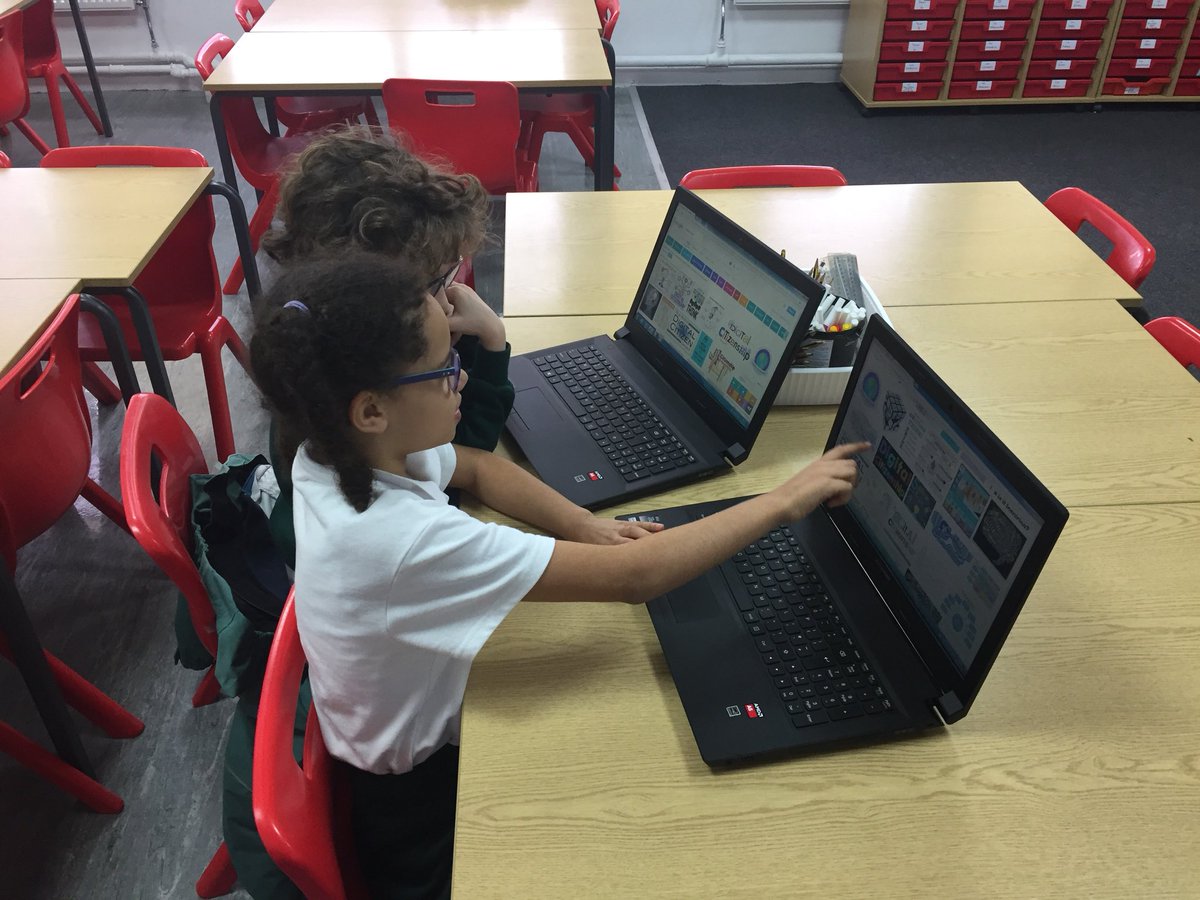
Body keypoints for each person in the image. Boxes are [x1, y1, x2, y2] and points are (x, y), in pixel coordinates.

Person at [248, 251, 869, 899]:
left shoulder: (333, 453)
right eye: (444, 369)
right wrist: (781, 501)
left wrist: (581, 524)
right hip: (415, 811)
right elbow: (635, 578)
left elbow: (477, 467)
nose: (461, 378)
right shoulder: (399, 541)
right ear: (371, 411)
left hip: (382, 737)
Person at [221, 126, 515, 899]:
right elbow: (459, 461)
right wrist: (488, 352)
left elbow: (452, 462)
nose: (446, 296)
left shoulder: (327, 401)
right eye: (434, 283)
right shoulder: (350, 474)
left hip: (366, 705)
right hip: (394, 779)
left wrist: (464, 353)